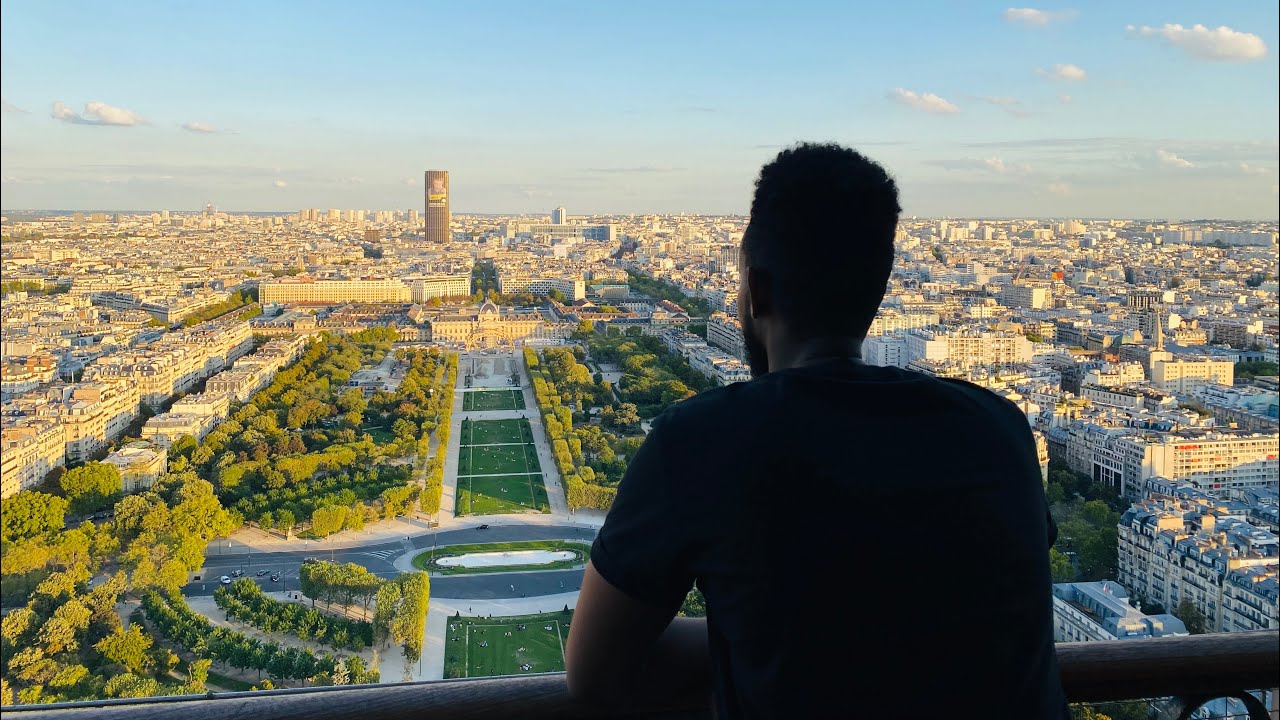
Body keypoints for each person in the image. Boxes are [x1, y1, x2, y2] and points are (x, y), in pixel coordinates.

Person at [566, 143, 1068, 719]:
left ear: (756, 291)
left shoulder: (701, 441)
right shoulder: (1000, 428)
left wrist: (759, 633)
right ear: (877, 292)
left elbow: (594, 673)